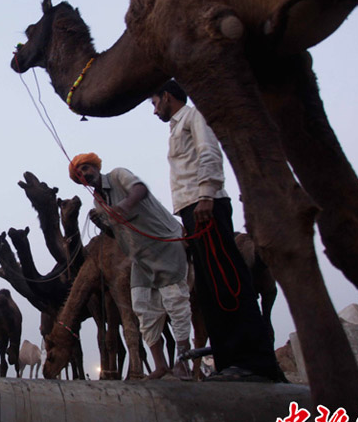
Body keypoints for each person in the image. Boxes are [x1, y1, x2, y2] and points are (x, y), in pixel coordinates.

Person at [151, 79, 283, 382]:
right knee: (209, 289)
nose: (154, 109)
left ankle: (253, 362)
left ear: (167, 96)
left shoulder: (195, 116)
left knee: (228, 280)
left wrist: (208, 194)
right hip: (191, 209)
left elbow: (209, 151)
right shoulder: (175, 127)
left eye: (155, 102)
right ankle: (229, 362)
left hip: (205, 205)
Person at [68, 153, 192, 380]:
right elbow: (116, 233)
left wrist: (123, 205)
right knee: (141, 307)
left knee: (175, 301)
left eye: (86, 168)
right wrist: (103, 224)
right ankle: (161, 365)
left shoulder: (118, 175)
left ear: (95, 167)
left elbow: (140, 189)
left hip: (164, 242)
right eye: (80, 174)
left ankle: (183, 362)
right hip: (139, 257)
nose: (85, 174)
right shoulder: (99, 202)